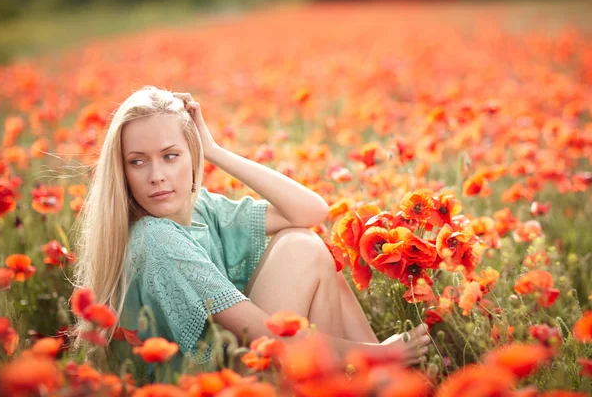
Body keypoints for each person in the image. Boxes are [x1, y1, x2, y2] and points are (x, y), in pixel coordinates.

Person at [71, 85, 430, 381]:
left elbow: (310, 212)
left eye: (170, 156)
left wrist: (213, 150)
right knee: (302, 251)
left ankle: (381, 383)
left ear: (191, 155)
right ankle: (379, 379)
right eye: (138, 161)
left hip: (237, 372)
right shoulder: (155, 238)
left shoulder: (202, 209)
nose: (156, 175)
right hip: (209, 387)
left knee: (304, 243)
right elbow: (268, 334)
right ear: (122, 171)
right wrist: (379, 353)